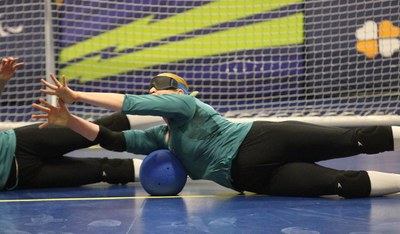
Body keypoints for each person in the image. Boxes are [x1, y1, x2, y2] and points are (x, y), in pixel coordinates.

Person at [33, 72, 400, 198]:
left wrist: (78, 95)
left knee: (355, 139)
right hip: (250, 177)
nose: (159, 92)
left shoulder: (188, 106)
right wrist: (71, 121)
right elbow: (112, 139)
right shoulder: (164, 137)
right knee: (341, 184)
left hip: (263, 139)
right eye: (155, 88)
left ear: (180, 92)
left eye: (165, 88)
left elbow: (132, 104)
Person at [0, 57, 141, 190]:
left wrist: (1, 80)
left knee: (96, 128)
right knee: (104, 170)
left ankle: (158, 108)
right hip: (21, 178)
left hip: (19, 143)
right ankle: (161, 166)